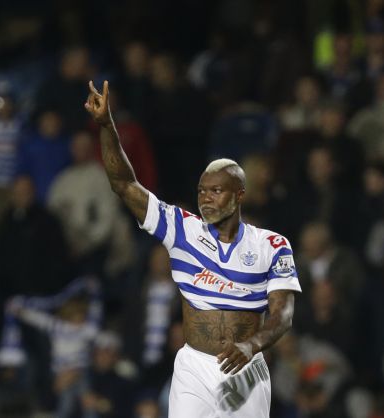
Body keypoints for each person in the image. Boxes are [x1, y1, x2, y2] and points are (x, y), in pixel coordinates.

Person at [85, 81, 302, 417]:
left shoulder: (272, 245)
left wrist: (251, 345)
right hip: (193, 366)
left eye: (216, 191)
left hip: (246, 368)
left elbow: (283, 315)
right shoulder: (182, 229)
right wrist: (106, 126)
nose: (206, 198)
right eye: (202, 191)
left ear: (239, 196)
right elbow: (124, 184)